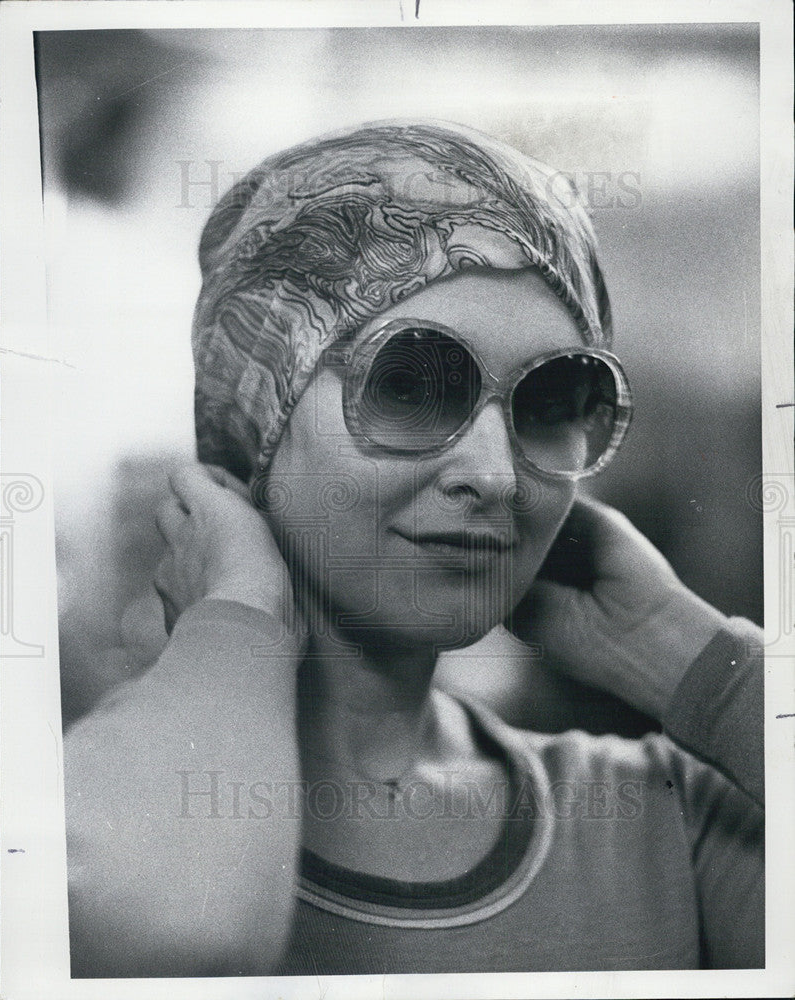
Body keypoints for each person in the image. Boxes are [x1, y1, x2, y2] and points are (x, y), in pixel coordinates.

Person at [63, 121, 764, 977]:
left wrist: (684, 655)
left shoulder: (662, 819)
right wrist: (237, 614)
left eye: (550, 399)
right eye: (407, 384)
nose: (497, 475)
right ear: (255, 424)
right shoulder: (84, 802)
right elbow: (179, 936)